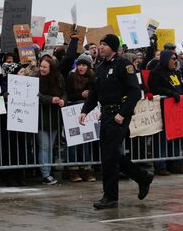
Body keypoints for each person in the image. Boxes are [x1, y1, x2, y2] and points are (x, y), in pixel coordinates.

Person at [79, 34, 153, 209]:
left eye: (104, 44)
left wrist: (122, 113)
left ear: (113, 47)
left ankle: (110, 197)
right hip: (105, 115)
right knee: (110, 156)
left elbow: (135, 92)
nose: (101, 47)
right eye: (100, 44)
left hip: (118, 115)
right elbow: (94, 92)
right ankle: (142, 177)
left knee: (109, 156)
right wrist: (84, 111)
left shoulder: (123, 65)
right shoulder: (100, 67)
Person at [65, 54, 96, 182]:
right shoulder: (71, 77)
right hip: (73, 112)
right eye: (79, 65)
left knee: (86, 141)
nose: (81, 67)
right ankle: (73, 169)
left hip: (88, 113)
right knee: (74, 142)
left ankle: (86, 168)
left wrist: (91, 95)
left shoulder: (93, 77)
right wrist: (81, 94)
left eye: (84, 65)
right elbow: (68, 95)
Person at [36, 57, 66, 185]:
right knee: (44, 146)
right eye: (41, 66)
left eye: (44, 67)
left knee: (50, 146)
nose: (42, 69)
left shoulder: (58, 78)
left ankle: (48, 171)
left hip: (55, 117)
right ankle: (45, 174)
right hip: (41, 117)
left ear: (51, 68)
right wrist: (50, 99)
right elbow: (36, 95)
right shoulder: (36, 78)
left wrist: (63, 100)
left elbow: (64, 92)